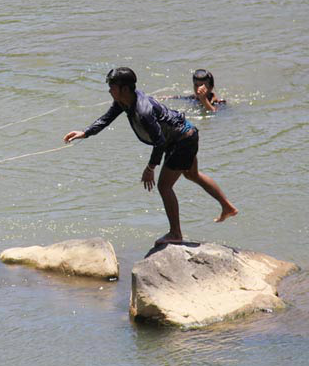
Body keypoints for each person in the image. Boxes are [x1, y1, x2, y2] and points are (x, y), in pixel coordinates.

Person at [63, 67, 238, 245]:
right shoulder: (125, 101)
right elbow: (106, 118)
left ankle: (175, 233)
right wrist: (85, 132)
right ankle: (227, 206)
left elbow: (160, 142)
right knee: (192, 174)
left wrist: (150, 168)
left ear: (124, 88)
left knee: (164, 186)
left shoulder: (143, 111)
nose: (109, 90)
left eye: (112, 87)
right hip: (187, 133)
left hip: (182, 140)